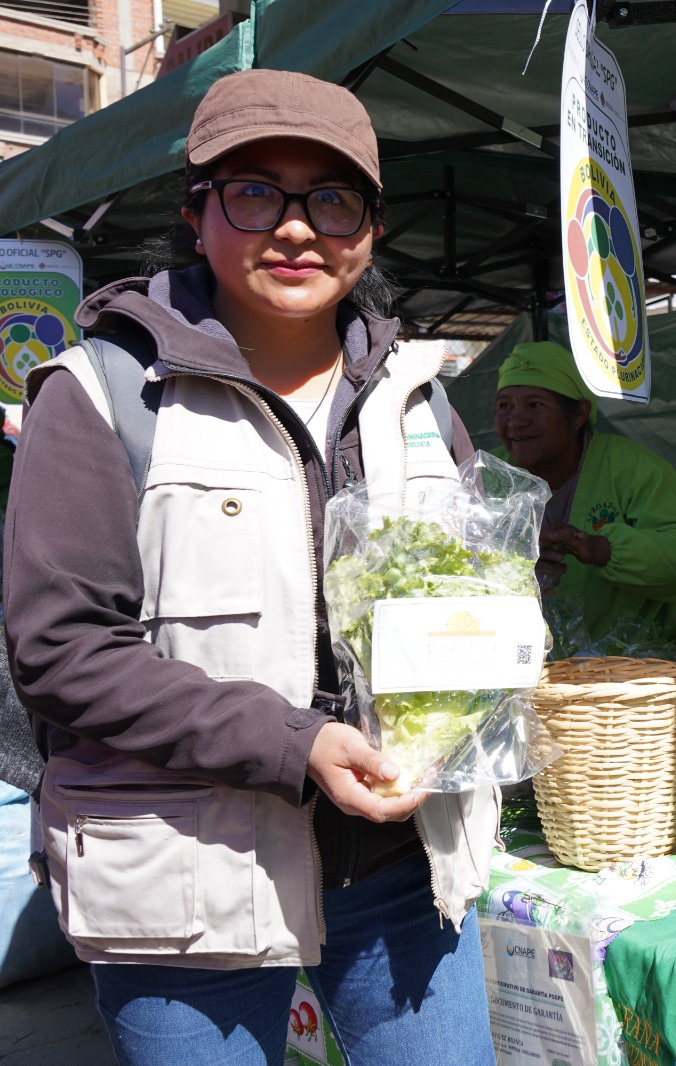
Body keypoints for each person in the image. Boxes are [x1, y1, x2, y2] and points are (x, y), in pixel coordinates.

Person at [3, 70, 497, 1064]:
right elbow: (60, 652)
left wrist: (486, 669)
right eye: (256, 192)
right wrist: (298, 742)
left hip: (401, 866)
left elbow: (475, 593)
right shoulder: (102, 393)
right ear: (198, 216)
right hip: (186, 876)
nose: (298, 227)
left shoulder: (417, 398)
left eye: (333, 197)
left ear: (371, 228)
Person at [493, 341, 676, 638]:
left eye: (535, 405)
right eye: (504, 406)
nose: (516, 421)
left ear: (580, 413)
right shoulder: (487, 475)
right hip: (519, 663)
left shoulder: (635, 469)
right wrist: (515, 559)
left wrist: (605, 550)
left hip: (626, 668)